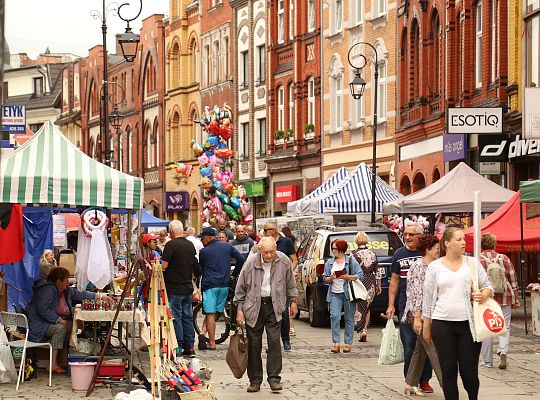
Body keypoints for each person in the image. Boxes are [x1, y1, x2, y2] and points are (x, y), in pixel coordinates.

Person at [422, 227, 493, 400]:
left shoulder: (472, 263)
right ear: (447, 243)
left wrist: (484, 294)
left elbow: (488, 285)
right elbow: (428, 298)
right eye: (459, 239)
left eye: (464, 239)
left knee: (469, 373)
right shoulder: (434, 267)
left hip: (469, 324)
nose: (463, 242)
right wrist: (426, 325)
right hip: (442, 323)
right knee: (448, 371)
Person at [234, 237, 298, 393]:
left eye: (271, 251)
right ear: (259, 250)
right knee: (254, 344)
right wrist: (239, 310)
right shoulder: (250, 263)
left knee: (275, 341)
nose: (269, 255)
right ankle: (255, 380)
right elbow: (240, 289)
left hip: (274, 305)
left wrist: (293, 301)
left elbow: (290, 283)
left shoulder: (283, 261)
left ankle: (274, 379)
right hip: (253, 306)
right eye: (265, 252)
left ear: (275, 248)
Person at [26, 267, 112, 373]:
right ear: (58, 281)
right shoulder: (47, 290)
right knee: (60, 329)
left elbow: (80, 294)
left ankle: (63, 360)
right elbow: (42, 309)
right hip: (39, 324)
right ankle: (52, 364)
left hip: (49, 322)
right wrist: (58, 320)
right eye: (66, 280)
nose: (68, 282)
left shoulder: (65, 290)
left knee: (70, 326)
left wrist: (100, 296)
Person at [387, 223, 434, 393]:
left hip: (427, 309)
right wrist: (391, 305)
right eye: (405, 234)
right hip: (406, 308)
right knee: (409, 347)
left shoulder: (428, 253)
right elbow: (394, 280)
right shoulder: (399, 254)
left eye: (411, 234)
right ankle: (410, 380)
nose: (407, 237)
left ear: (420, 236)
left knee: (427, 346)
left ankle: (424, 380)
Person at [402, 234, 443, 396]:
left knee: (420, 350)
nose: (439, 251)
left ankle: (410, 383)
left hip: (429, 313)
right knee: (433, 349)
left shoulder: (435, 266)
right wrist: (418, 318)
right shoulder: (418, 267)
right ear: (428, 250)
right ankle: (447, 384)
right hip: (417, 313)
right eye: (437, 249)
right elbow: (417, 294)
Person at [198, 227, 245, 350]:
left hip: (210, 285)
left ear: (209, 238)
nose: (202, 241)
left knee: (209, 313)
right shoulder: (227, 246)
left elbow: (201, 268)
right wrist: (235, 273)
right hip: (224, 284)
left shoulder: (204, 252)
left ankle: (212, 342)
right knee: (216, 312)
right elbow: (241, 259)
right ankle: (203, 333)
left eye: (203, 239)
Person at [479, 232, 519, 369]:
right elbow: (512, 278)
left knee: (487, 327)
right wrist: (516, 296)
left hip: (487, 297)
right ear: (494, 244)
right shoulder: (504, 258)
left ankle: (487, 361)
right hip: (505, 295)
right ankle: (503, 350)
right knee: (505, 325)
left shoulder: (479, 259)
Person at [162, 220, 201, 357]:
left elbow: (164, 266)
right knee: (188, 317)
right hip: (187, 287)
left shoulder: (170, 245)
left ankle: (178, 346)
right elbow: (195, 265)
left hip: (174, 287)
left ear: (172, 232)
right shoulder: (189, 244)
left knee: (177, 317)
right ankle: (189, 347)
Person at [322, 239, 362, 353]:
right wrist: (331, 278)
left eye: (335, 249)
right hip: (334, 293)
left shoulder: (351, 261)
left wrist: (347, 277)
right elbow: (325, 279)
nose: (333, 251)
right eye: (333, 249)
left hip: (348, 294)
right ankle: (336, 343)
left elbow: (360, 275)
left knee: (349, 319)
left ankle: (348, 343)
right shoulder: (329, 263)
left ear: (342, 249)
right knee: (334, 316)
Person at [263, 220, 297, 351]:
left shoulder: (286, 241)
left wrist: (289, 273)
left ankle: (286, 340)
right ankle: (273, 343)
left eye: (266, 230)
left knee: (283, 313)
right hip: (268, 284)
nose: (264, 233)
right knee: (271, 316)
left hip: (281, 284)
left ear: (274, 230)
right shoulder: (263, 243)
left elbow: (294, 260)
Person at [352, 231, 381, 342]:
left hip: (358, 282)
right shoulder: (372, 254)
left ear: (356, 241)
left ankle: (359, 328)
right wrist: (378, 285)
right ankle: (364, 329)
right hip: (370, 282)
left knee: (359, 306)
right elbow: (377, 271)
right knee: (367, 307)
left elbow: (351, 269)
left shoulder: (353, 254)